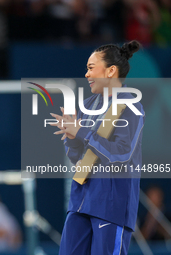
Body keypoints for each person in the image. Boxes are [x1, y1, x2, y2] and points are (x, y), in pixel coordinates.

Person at [50, 40, 144, 255]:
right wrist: (71, 138)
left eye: (91, 68)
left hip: (111, 206)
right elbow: (77, 158)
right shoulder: (89, 105)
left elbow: (121, 153)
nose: (86, 74)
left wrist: (81, 132)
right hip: (80, 202)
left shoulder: (130, 104)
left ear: (111, 71)